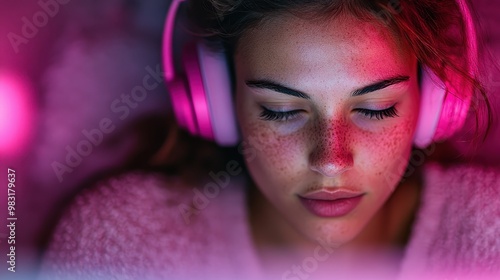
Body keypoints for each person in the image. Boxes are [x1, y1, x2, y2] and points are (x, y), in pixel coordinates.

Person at [39, 0, 500, 279]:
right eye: (280, 112)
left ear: (436, 104)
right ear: (217, 103)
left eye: (375, 108)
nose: (331, 160)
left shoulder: (490, 237)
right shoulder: (121, 245)